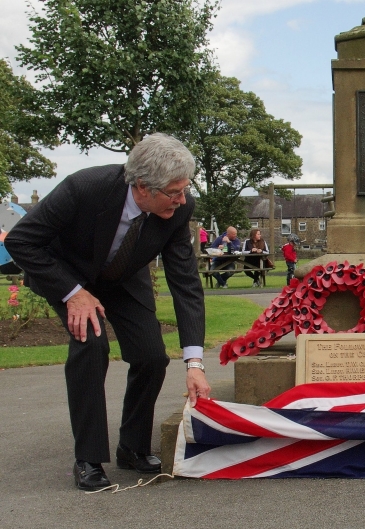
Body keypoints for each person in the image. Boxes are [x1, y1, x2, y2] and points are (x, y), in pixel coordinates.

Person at [4, 133, 210, 491]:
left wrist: (194, 362)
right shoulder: (84, 187)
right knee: (91, 344)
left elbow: (186, 283)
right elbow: (21, 240)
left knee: (150, 356)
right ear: (142, 186)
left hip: (123, 278)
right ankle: (88, 458)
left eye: (184, 190)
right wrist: (73, 293)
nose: (181, 199)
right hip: (67, 275)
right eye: (173, 192)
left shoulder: (179, 208)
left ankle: (132, 448)